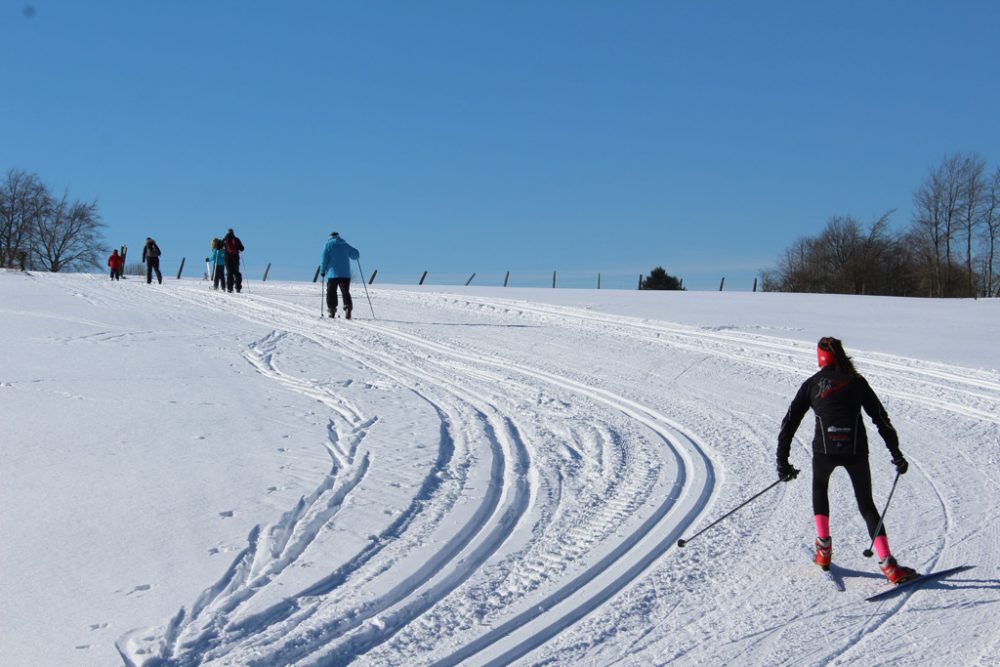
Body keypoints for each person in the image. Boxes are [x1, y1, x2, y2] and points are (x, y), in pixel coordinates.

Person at [776, 336, 916, 584]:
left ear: (820, 358)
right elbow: (881, 419)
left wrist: (782, 462)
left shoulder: (812, 384)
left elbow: (789, 422)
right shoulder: (857, 382)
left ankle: (823, 551)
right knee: (867, 505)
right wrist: (896, 453)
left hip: (824, 451)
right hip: (855, 451)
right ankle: (889, 565)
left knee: (820, 489)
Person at [320, 231, 360, 319]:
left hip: (332, 274)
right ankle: (348, 307)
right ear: (338, 236)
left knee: (331, 292)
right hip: (345, 274)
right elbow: (355, 255)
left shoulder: (327, 245)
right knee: (345, 291)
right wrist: (357, 252)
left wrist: (322, 271)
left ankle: (332, 310)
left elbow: (324, 259)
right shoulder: (345, 244)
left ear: (330, 237)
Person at [222, 228, 244, 293]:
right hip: (235, 258)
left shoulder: (225, 239)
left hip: (227, 258)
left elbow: (218, 246)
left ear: (227, 232)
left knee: (229, 273)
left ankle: (230, 288)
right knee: (237, 273)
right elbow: (242, 248)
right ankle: (238, 288)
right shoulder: (236, 239)